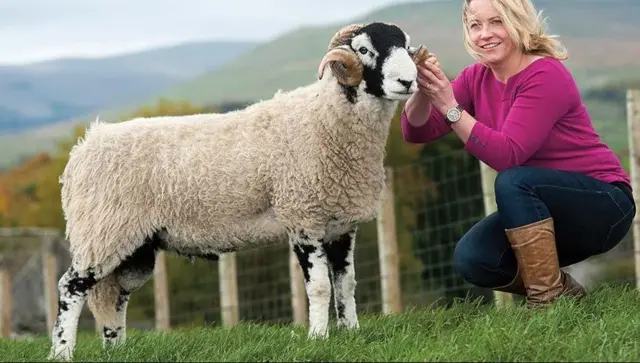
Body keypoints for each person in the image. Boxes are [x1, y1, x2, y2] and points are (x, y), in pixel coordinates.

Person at [401, 0, 636, 306]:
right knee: (473, 257)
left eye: (496, 22)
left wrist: (449, 107)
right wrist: (423, 88)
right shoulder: (476, 77)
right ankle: (566, 295)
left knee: (514, 180)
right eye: (475, 25)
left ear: (518, 22)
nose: (484, 34)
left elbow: (507, 155)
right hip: (540, 212)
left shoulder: (545, 74)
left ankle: (546, 303)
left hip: (603, 206)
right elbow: (416, 131)